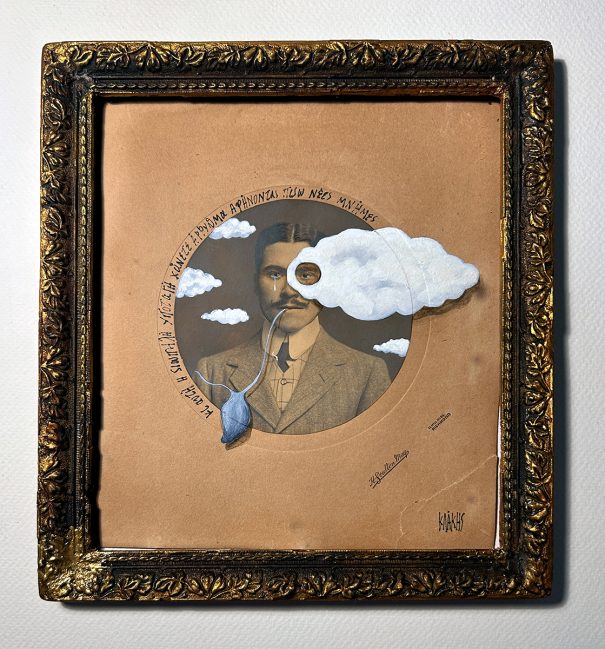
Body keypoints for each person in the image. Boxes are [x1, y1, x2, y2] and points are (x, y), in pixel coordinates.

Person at [195, 222, 391, 435]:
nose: (289, 291)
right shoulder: (212, 371)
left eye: (305, 275)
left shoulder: (368, 373)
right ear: (255, 283)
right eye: (275, 274)